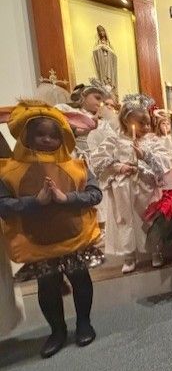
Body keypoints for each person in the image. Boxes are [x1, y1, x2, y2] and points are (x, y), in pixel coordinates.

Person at [0, 101, 103, 358]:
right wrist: (35, 202)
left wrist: (67, 198)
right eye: (40, 134)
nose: (47, 139)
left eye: (53, 135)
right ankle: (57, 331)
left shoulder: (76, 166)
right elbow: (3, 205)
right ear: (27, 135)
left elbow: (95, 194)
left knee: (80, 279)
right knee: (48, 286)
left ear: (63, 137)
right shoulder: (10, 171)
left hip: (74, 238)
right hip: (39, 243)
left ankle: (84, 323)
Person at [92, 94, 172, 273]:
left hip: (146, 187)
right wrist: (119, 167)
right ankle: (129, 255)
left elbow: (165, 160)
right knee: (125, 220)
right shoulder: (115, 140)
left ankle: (155, 250)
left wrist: (145, 156)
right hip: (123, 188)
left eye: (148, 123)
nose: (146, 127)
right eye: (141, 123)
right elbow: (99, 160)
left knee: (149, 218)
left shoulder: (151, 141)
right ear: (126, 121)